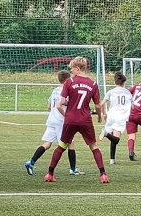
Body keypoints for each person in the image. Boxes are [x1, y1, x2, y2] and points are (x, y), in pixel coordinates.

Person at [44, 56, 109, 184]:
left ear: (78, 68)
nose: (71, 71)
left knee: (62, 146)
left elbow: (62, 101)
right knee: (93, 146)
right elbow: (97, 105)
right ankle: (103, 175)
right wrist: (99, 116)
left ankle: (49, 174)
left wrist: (71, 104)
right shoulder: (93, 84)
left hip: (70, 119)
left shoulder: (70, 82)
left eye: (72, 69)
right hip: (85, 119)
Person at [24, 70, 84, 175]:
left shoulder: (55, 90)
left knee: (47, 144)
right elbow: (60, 105)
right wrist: (67, 114)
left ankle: (31, 162)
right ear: (68, 80)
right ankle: (73, 169)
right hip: (61, 122)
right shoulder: (66, 91)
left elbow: (49, 106)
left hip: (52, 120)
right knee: (71, 143)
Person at [100, 72, 133, 164]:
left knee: (113, 138)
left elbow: (102, 103)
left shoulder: (111, 91)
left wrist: (104, 114)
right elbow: (132, 106)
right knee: (116, 139)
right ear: (124, 83)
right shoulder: (128, 92)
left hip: (111, 115)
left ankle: (112, 159)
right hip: (121, 117)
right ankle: (106, 134)